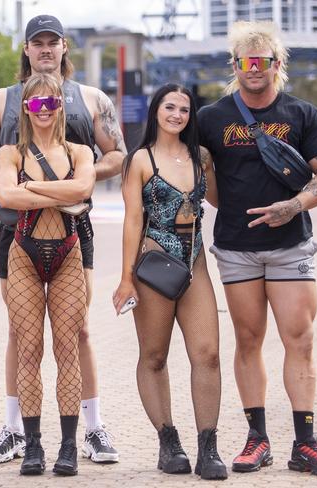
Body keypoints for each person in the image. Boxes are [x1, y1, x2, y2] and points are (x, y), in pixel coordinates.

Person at [0, 14, 125, 464]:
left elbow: (117, 155)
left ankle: (92, 429)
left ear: (65, 47)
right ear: (26, 48)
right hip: (17, 229)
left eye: (53, 42)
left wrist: (71, 181)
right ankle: (15, 429)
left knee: (79, 331)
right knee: (21, 332)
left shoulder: (90, 98)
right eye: (38, 43)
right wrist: (9, 183)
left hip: (74, 229)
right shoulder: (1, 100)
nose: (46, 50)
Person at [198, 21, 317, 476]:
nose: (254, 69)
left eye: (262, 61)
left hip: (289, 243)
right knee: (247, 339)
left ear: (278, 65)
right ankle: (256, 439)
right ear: (235, 66)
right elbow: (207, 187)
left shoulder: (302, 113)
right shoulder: (211, 118)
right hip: (237, 247)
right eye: (245, 61)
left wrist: (294, 205)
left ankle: (306, 443)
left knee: (298, 338)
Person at [112, 84, 228, 480]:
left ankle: (208, 446)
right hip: (154, 266)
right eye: (169, 107)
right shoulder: (140, 160)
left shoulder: (201, 158)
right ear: (156, 111)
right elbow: (131, 220)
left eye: (184, 109)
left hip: (194, 262)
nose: (177, 114)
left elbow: (219, 201)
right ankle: (168, 441)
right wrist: (126, 278)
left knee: (208, 354)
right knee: (155, 356)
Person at [0, 73, 95, 476]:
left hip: (68, 252)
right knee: (28, 349)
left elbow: (85, 189)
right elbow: (5, 196)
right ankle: (32, 443)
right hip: (23, 253)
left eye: (51, 103)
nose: (44, 111)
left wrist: (33, 190)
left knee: (67, 348)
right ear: (25, 108)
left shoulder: (79, 151)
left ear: (61, 107)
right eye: (36, 104)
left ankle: (68, 445)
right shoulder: (10, 153)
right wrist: (63, 191)